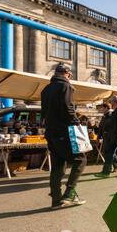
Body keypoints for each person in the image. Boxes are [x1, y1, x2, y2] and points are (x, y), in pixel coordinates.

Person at [41, 63, 87, 209]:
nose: (70, 77)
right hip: (64, 130)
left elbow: (44, 112)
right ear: (66, 73)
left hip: (51, 132)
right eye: (70, 75)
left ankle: (56, 200)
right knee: (80, 159)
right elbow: (68, 108)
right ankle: (69, 193)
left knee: (58, 165)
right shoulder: (65, 86)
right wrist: (77, 123)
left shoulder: (46, 89)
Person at [98, 103, 117, 173]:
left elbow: (113, 127)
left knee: (109, 153)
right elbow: (101, 126)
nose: (101, 109)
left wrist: (108, 133)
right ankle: (115, 165)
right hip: (105, 137)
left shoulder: (111, 115)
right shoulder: (104, 116)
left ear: (106, 108)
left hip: (110, 137)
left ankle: (108, 168)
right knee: (109, 152)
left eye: (102, 108)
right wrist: (99, 136)